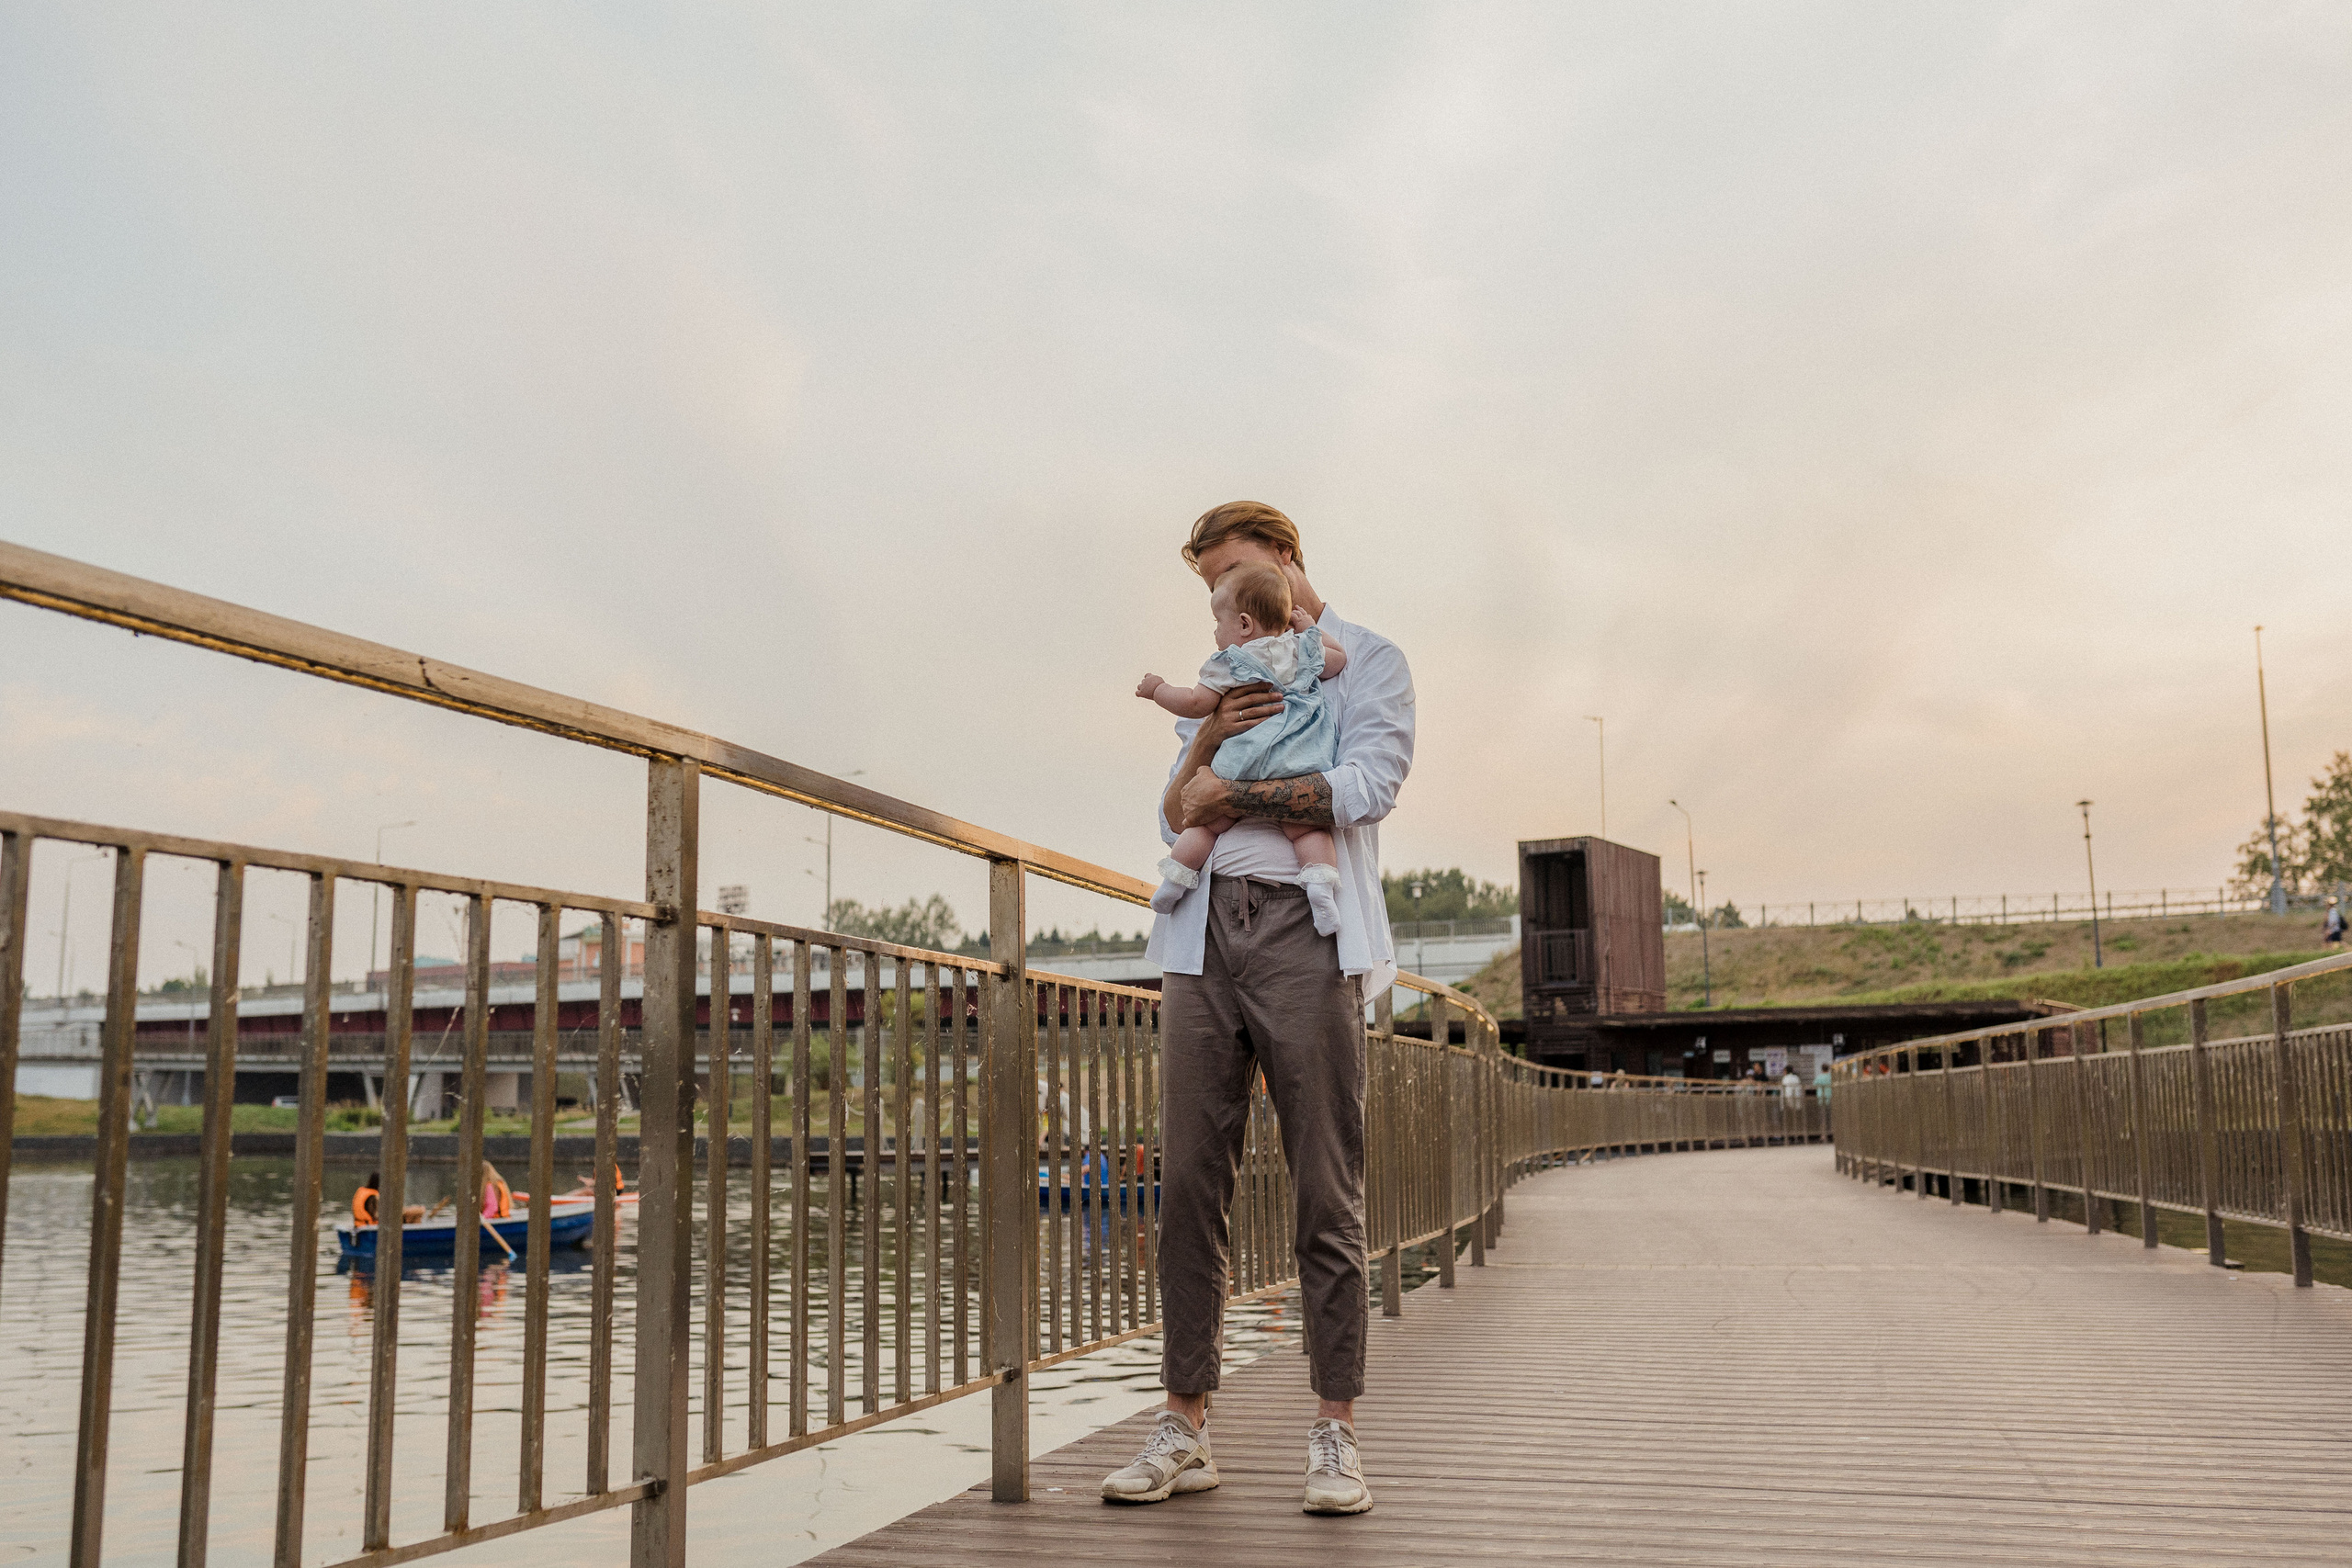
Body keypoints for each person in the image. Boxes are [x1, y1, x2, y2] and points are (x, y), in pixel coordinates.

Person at [1102, 502, 1412, 1517]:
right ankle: (1185, 1423)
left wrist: (1231, 797)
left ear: (1284, 558)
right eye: (1207, 594)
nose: (1220, 608)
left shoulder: (1364, 661)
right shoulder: (1226, 671)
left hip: (1305, 934)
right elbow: (1172, 807)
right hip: (1200, 937)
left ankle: (1336, 1431)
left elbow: (1364, 786)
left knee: (1326, 1182)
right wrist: (1206, 754)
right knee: (1189, 1179)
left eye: (1232, 577)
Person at [1138, 565, 1349, 931]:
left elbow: (1194, 704)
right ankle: (1320, 892)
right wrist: (1310, 630)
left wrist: (1157, 689)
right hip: (1297, 762)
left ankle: (1173, 882)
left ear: (1245, 624)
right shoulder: (1298, 649)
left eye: (1218, 622)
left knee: (1206, 827)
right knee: (1309, 833)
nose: (1215, 632)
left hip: (1244, 763)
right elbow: (1338, 660)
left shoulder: (1230, 662)